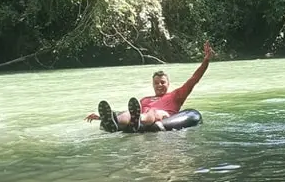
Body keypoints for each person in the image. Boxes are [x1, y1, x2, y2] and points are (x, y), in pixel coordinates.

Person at [86, 41, 215, 132]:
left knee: (152, 112)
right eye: (156, 83)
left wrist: (206, 60)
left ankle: (138, 120)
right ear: (153, 84)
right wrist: (101, 117)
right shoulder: (144, 100)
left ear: (168, 84)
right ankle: (114, 124)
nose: (159, 85)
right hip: (141, 118)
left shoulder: (176, 95)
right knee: (127, 113)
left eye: (163, 82)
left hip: (162, 117)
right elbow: (133, 111)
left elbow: (194, 79)